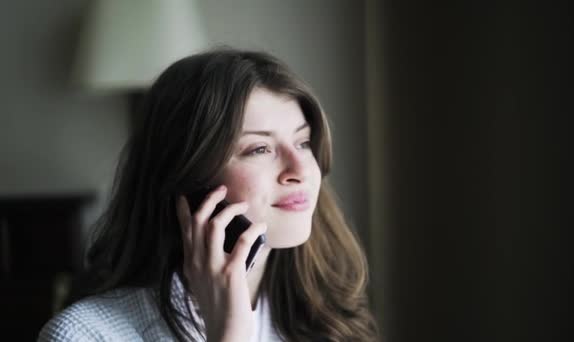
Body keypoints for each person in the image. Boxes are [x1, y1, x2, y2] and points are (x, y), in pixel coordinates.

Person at [38, 48, 378, 341]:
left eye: (303, 143)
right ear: (188, 180)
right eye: (259, 148)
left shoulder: (324, 317)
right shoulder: (82, 333)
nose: (301, 170)